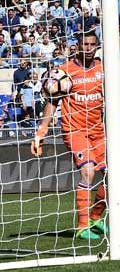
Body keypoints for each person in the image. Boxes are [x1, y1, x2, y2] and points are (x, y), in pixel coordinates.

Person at [31, 31, 109, 240]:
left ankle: (95, 217)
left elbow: (112, 97)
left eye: (93, 44)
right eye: (85, 44)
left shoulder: (103, 68)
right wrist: (42, 131)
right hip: (75, 130)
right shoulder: (65, 71)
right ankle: (82, 226)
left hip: (98, 130)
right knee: (88, 172)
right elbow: (52, 102)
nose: (89, 48)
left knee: (112, 175)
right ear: (77, 46)